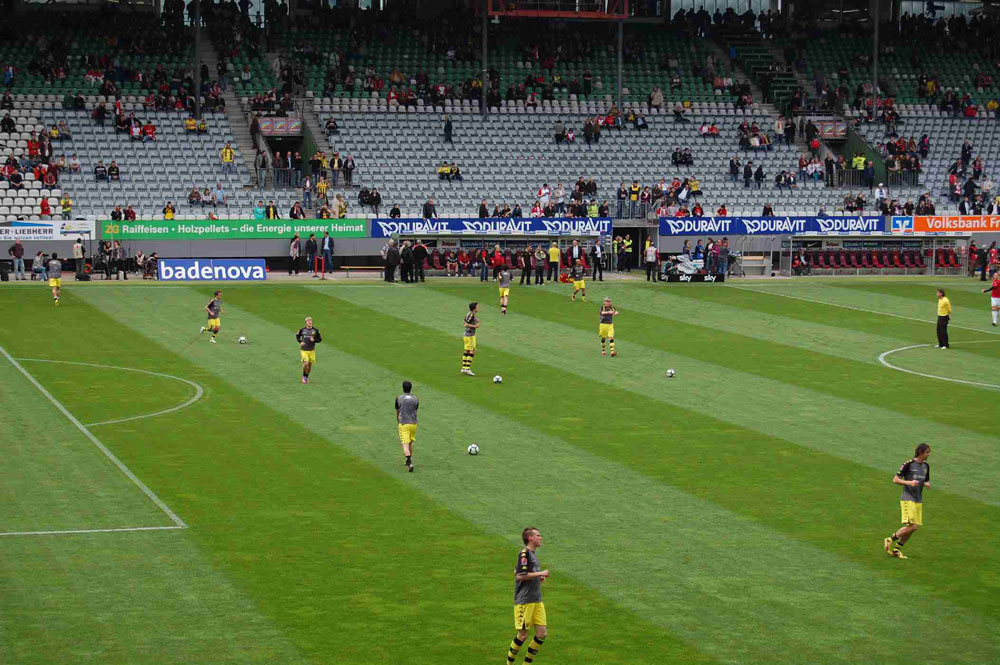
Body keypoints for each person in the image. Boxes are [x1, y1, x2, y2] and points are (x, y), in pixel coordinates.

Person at [505, 527, 549, 665]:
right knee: (523, 635)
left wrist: (538, 578)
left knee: (542, 634)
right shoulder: (524, 554)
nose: (540, 538)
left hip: (537, 600)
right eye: (538, 535)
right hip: (525, 601)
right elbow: (520, 576)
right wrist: (540, 573)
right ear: (530, 538)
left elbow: (520, 572)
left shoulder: (533, 555)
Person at [883, 443, 932, 559]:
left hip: (918, 500)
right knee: (913, 526)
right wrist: (909, 482)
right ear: (920, 452)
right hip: (908, 498)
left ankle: (897, 550)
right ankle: (890, 539)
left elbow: (925, 480)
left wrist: (926, 483)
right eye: (927, 452)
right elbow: (895, 480)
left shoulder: (926, 466)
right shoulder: (908, 464)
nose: (929, 454)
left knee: (913, 528)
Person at [395, 380, 419, 472]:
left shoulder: (399, 398)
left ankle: (409, 463)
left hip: (404, 424)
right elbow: (416, 410)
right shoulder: (416, 399)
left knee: (405, 444)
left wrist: (398, 421)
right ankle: (408, 460)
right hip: (413, 424)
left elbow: (397, 411)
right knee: (410, 443)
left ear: (403, 388)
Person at [296, 316, 322, 384]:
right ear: (306, 322)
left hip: (311, 351)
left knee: (310, 365)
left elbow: (320, 339)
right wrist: (300, 342)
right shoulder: (302, 330)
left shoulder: (316, 330)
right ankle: (303, 377)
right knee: (306, 363)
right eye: (308, 321)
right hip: (304, 350)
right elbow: (297, 336)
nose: (310, 322)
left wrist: (314, 340)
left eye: (311, 321)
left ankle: (306, 377)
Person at [461, 301, 479, 376]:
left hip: (467, 335)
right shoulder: (471, 314)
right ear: (474, 308)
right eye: (477, 307)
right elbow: (465, 324)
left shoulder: (470, 314)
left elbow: (464, 321)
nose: (478, 308)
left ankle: (464, 368)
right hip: (470, 336)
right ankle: (467, 369)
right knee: (472, 351)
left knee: (467, 351)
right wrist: (475, 326)